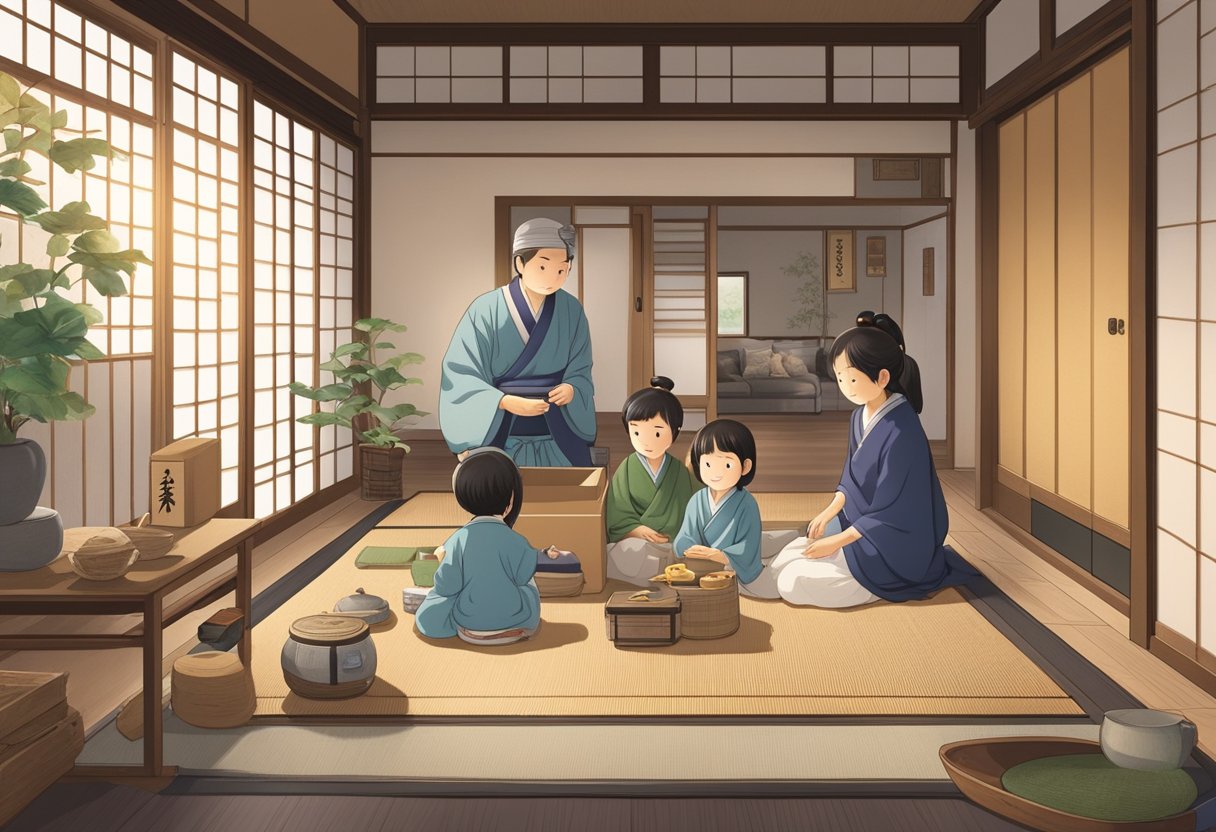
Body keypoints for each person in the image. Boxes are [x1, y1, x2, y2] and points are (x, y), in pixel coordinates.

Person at [769, 311, 978, 607]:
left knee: (792, 582)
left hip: (894, 543)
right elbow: (851, 482)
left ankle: (874, 584)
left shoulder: (902, 429)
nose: (844, 385)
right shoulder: (859, 416)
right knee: (790, 556)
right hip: (860, 523)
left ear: (882, 377)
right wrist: (829, 511)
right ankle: (843, 562)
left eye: (851, 377)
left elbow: (894, 510)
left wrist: (837, 541)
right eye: (839, 377)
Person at [438, 217, 596, 467]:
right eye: (543, 267)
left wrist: (572, 388)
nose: (552, 277)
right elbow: (461, 372)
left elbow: (581, 366)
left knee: (569, 482)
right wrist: (503, 401)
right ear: (520, 263)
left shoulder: (571, 309)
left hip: (555, 419)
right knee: (494, 483)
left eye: (561, 270)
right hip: (500, 421)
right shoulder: (485, 309)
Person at [414, 448, 558, 645]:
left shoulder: (459, 539)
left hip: (470, 625)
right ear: (510, 501)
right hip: (517, 622)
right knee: (527, 582)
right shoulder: (515, 539)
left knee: (431, 607)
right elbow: (523, 573)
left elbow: (448, 585)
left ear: (464, 498)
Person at [672, 419, 797, 598]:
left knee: (782, 585)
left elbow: (747, 547)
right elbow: (685, 535)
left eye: (727, 465)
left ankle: (789, 545)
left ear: (745, 466)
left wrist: (721, 555)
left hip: (734, 570)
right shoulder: (697, 500)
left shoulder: (747, 504)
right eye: (708, 464)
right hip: (704, 569)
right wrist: (688, 548)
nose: (716, 472)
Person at [605, 377, 699, 586]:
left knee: (684, 555)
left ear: (675, 431)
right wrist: (636, 530)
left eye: (657, 432)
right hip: (637, 541)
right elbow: (617, 514)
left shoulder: (679, 472)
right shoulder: (626, 469)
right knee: (629, 551)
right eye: (637, 431)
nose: (646, 441)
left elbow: (692, 509)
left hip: (671, 541)